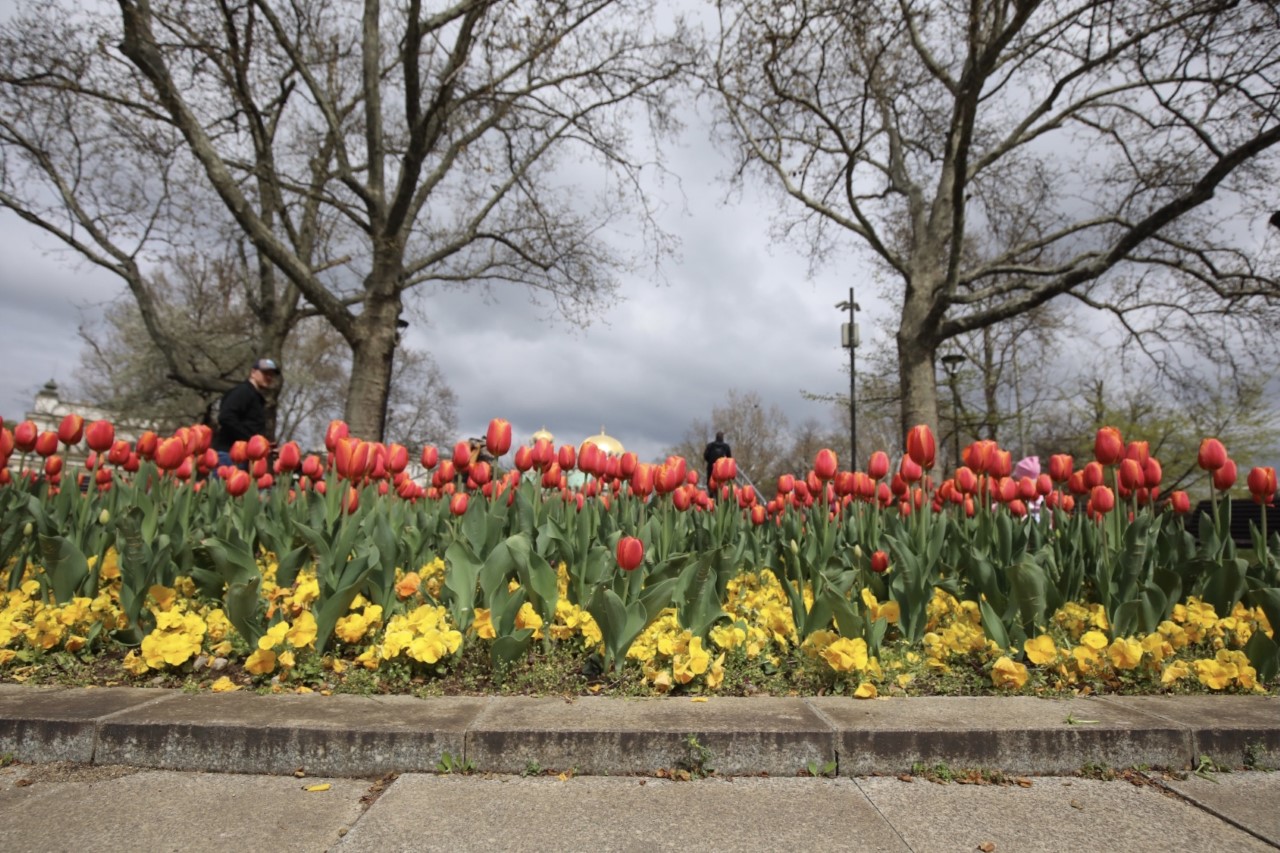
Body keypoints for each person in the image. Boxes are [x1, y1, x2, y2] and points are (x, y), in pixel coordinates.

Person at [212, 357, 280, 469]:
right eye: (265, 373)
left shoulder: (256, 396)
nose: (269, 377)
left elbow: (250, 425)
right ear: (253, 372)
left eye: (271, 374)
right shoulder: (243, 392)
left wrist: (264, 445)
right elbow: (226, 417)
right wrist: (251, 441)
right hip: (229, 455)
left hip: (243, 456)